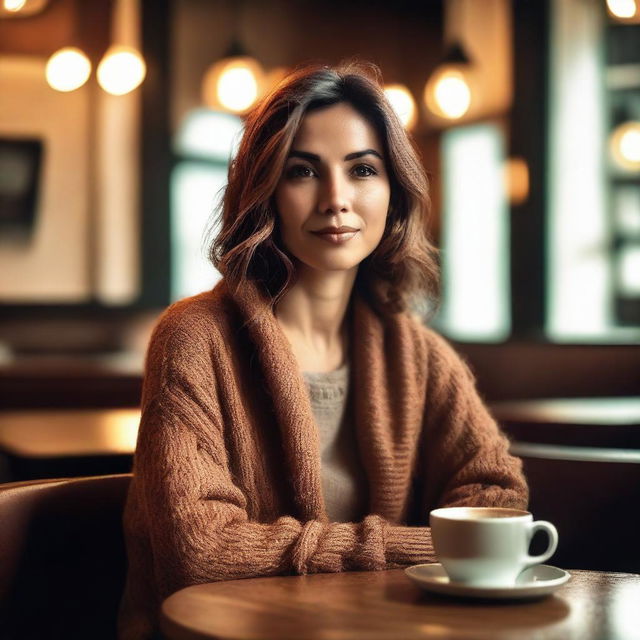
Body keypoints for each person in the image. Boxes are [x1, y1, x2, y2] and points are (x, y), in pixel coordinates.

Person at [118, 61, 528, 640]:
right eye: (302, 172)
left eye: (362, 169)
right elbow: (203, 554)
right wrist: (424, 546)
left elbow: (499, 499)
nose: (336, 199)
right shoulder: (194, 338)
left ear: (394, 192)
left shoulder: (418, 352)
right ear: (265, 192)